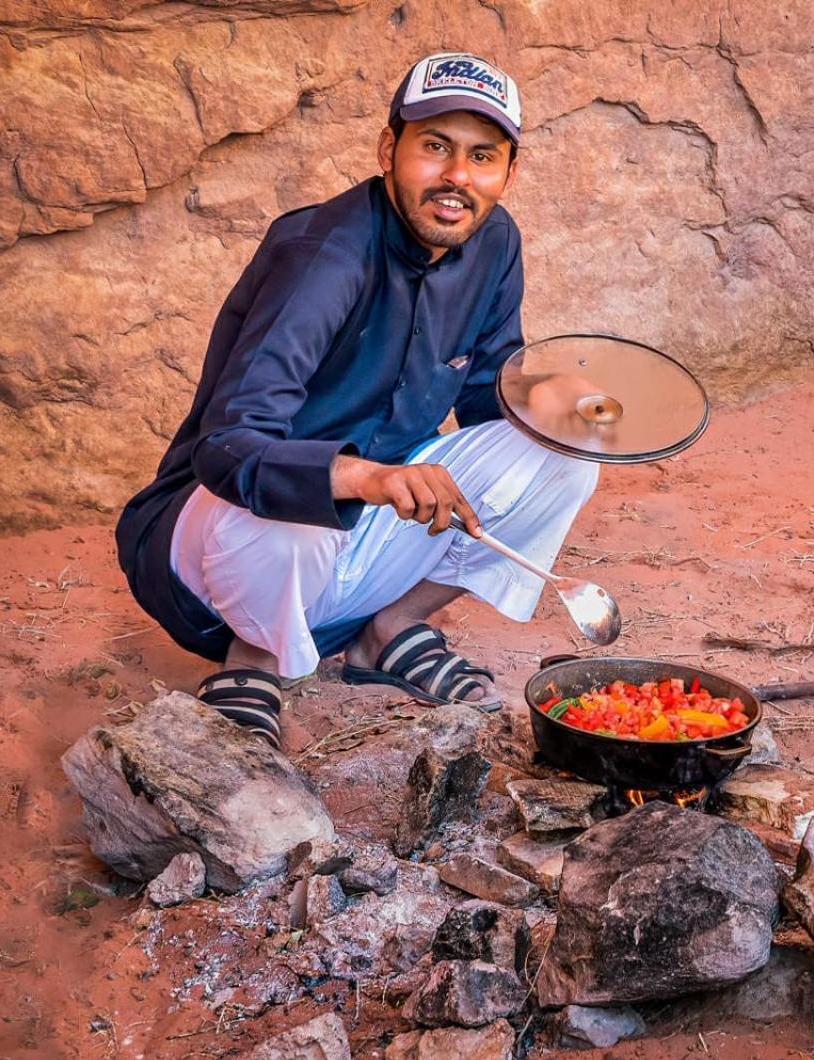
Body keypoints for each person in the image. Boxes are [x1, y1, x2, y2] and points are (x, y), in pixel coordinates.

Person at [115, 51, 600, 747]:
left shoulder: (495, 244)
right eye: (435, 147)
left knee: (563, 456)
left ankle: (388, 629)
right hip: (216, 556)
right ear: (388, 150)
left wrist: (555, 405)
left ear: (508, 172)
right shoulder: (325, 254)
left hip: (357, 548)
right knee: (301, 514)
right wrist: (367, 477)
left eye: (482, 156)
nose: (457, 177)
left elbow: (491, 403)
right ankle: (254, 660)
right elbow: (229, 448)